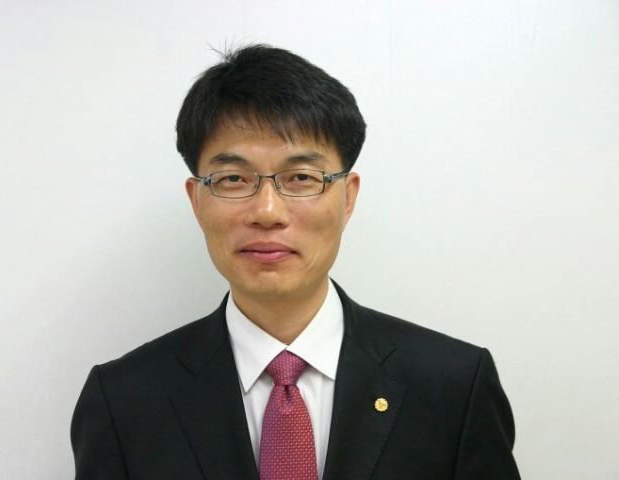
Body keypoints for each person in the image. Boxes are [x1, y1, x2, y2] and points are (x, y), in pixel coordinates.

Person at [71, 44, 520, 480]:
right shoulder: (123, 402)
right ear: (197, 201)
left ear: (348, 198)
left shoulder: (454, 386)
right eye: (233, 179)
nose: (267, 212)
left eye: (301, 177)